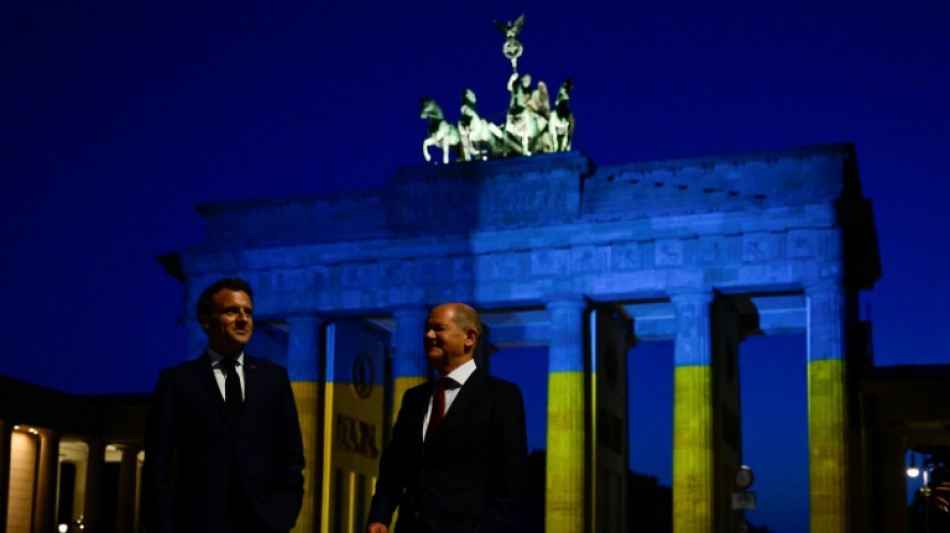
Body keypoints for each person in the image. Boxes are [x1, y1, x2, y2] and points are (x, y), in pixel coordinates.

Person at [143, 278, 305, 533]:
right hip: (197, 524)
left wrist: (282, 514)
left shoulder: (274, 379)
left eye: (248, 312)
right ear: (206, 321)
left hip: (262, 524)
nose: (243, 319)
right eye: (231, 311)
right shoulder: (176, 381)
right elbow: (157, 469)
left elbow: (291, 457)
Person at [365, 303, 528, 533]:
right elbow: (394, 466)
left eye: (438, 328)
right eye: (426, 329)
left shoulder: (501, 396)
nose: (428, 335)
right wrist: (379, 516)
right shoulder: (414, 398)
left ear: (469, 337)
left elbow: (511, 480)